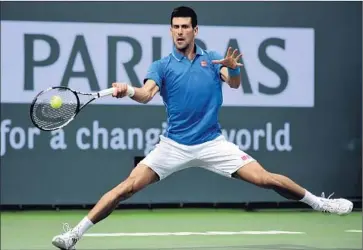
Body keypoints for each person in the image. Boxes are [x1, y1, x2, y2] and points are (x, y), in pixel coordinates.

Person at [51, 6, 353, 250]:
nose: (180, 32)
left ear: (195, 30)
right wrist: (127, 90)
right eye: (175, 27)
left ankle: (320, 203)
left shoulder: (212, 60)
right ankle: (74, 235)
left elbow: (234, 83)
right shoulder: (161, 65)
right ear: (170, 31)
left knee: (265, 179)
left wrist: (233, 68)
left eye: (185, 27)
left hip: (212, 143)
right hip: (173, 146)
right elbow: (146, 94)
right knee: (126, 188)